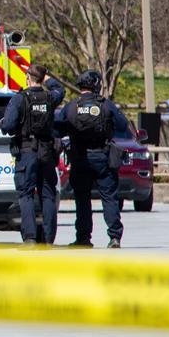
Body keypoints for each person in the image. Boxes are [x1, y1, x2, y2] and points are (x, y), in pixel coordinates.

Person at [57, 70, 129, 249]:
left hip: (80, 157)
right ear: (96, 85)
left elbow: (58, 128)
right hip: (102, 156)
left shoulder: (71, 106)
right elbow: (123, 125)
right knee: (109, 198)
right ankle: (114, 237)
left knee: (82, 200)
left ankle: (83, 238)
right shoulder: (106, 105)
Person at [0, 64, 65, 246]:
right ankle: (49, 239)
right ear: (42, 79)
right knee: (48, 194)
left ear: (28, 77)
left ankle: (29, 238)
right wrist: (46, 77)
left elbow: (8, 126)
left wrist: (5, 123)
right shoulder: (50, 97)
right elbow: (60, 89)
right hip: (46, 151)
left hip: (27, 151)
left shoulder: (20, 99)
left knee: (26, 194)